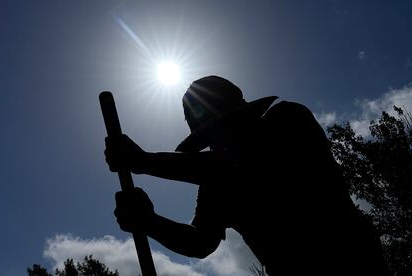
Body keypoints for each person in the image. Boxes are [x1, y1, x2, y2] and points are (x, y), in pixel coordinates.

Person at [105, 75, 388, 275]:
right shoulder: (216, 182)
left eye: (220, 129)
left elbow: (244, 164)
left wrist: (144, 162)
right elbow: (200, 242)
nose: (216, 142)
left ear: (243, 116)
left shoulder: (288, 121)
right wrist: (150, 222)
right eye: (208, 137)